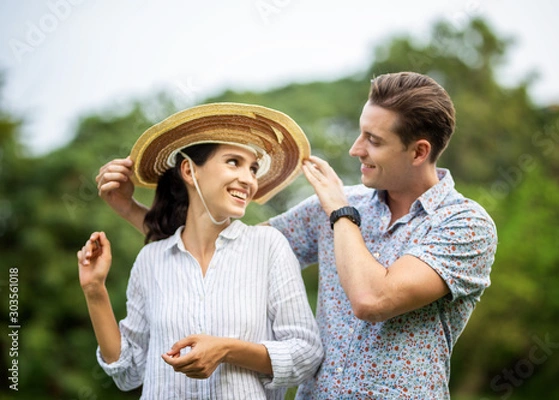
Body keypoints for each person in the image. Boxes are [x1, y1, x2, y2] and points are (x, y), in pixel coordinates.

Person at [96, 72, 498, 399]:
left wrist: (340, 213)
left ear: (418, 152)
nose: (356, 149)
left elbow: (373, 299)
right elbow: (228, 249)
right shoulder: (340, 201)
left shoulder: (463, 225)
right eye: (361, 133)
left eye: (373, 141)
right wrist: (131, 210)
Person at [78, 103, 323, 399]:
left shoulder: (268, 246)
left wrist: (226, 350)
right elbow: (129, 372)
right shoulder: (151, 259)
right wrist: (94, 290)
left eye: (253, 168)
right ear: (189, 171)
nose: (249, 179)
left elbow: (306, 353)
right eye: (234, 162)